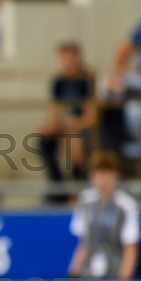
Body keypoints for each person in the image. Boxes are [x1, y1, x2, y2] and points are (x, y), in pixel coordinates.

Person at [67, 151, 140, 280]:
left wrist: (123, 280)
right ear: (91, 176)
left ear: (116, 175)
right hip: (88, 276)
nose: (104, 179)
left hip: (114, 276)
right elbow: (83, 243)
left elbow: (130, 248)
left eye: (108, 173)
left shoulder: (126, 205)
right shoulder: (85, 201)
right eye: (100, 173)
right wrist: (73, 274)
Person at [37, 42, 95, 191]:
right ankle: (57, 187)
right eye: (63, 59)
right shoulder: (58, 82)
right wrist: (48, 126)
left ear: (78, 59)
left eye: (69, 58)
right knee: (44, 141)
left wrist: (70, 127)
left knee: (74, 142)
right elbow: (54, 110)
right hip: (66, 127)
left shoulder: (88, 81)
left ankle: (80, 186)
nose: (66, 63)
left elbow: (91, 117)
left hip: (86, 129)